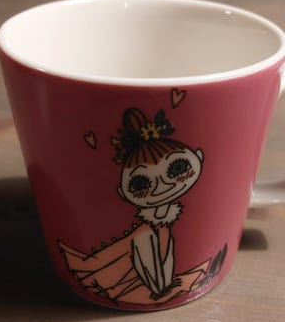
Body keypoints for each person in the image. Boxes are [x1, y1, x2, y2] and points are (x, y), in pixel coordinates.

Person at [58, 107, 226, 306]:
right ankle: (160, 289)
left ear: (198, 157)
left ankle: (163, 287)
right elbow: (147, 263)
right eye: (141, 183)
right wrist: (162, 290)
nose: (162, 185)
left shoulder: (162, 223)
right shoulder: (145, 234)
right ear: (122, 192)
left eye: (177, 167)